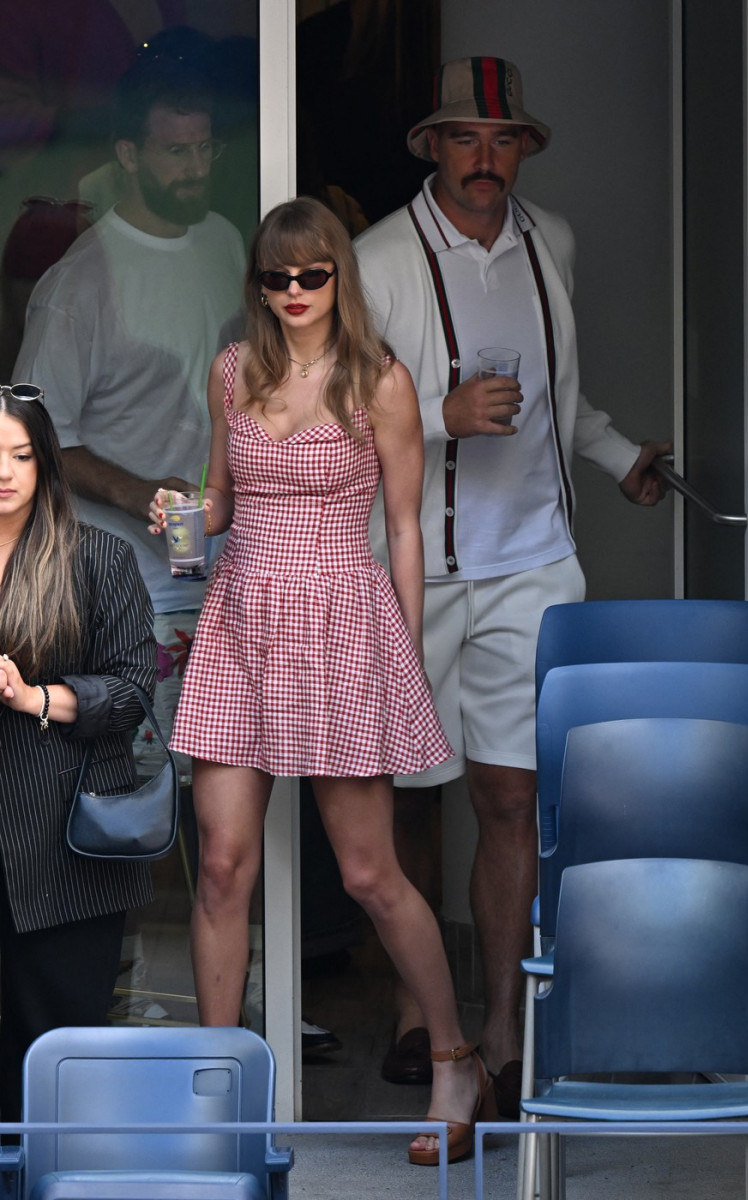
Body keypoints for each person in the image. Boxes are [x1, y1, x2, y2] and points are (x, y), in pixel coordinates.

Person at [353, 56, 671, 1116]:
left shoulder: (552, 242)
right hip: (411, 567)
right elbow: (326, 420)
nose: (482, 160)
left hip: (531, 561)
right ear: (432, 146)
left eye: (500, 141)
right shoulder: (374, 259)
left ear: (521, 148)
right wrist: (436, 419)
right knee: (396, 791)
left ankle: (498, 1030)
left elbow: (558, 397)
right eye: (463, 139)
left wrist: (619, 451)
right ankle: (413, 1009)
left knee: (509, 793)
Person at [148, 195, 494, 1165]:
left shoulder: (377, 380)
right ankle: (222, 1098)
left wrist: (407, 659)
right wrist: (185, 514)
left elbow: (404, 525)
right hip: (244, 619)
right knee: (220, 866)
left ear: (338, 275)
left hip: (342, 626)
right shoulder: (232, 371)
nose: (294, 292)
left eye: (311, 274)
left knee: (368, 872)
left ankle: (454, 1058)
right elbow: (218, 498)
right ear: (256, 285)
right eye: (275, 277)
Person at [12, 54, 246, 773]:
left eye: (205, 148)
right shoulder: (79, 284)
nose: (195, 167)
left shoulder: (225, 243)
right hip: (125, 595)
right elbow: (32, 438)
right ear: (129, 155)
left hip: (224, 576)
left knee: (221, 790)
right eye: (176, 151)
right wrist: (140, 491)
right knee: (134, 800)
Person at [0, 384, 157, 1122]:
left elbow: (132, 694)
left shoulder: (98, 559)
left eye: (21, 455)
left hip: (63, 845)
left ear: (47, 464)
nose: (5, 471)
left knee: (61, 1057)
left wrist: (35, 697)